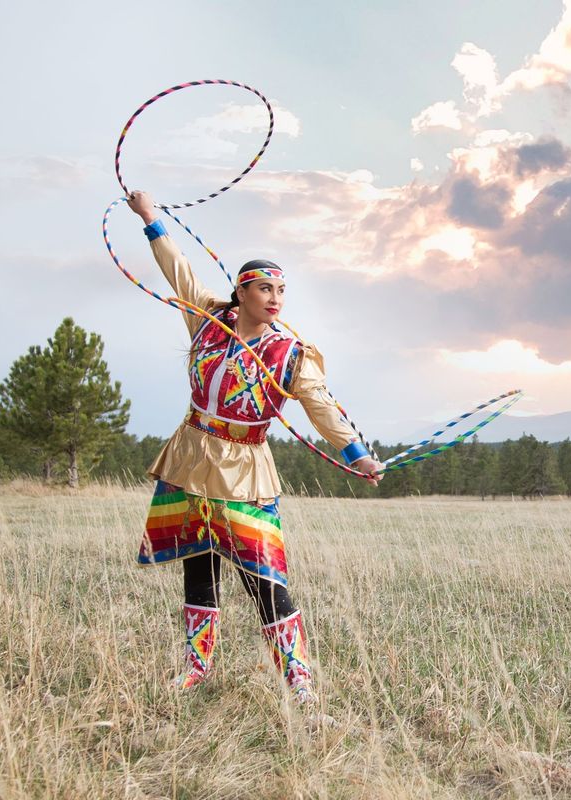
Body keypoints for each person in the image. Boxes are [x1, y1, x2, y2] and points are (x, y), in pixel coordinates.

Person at [126, 190, 384, 707]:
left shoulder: (291, 354)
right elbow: (177, 270)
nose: (275, 299)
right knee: (198, 568)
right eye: (265, 288)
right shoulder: (207, 321)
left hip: (246, 469)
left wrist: (356, 455)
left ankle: (299, 683)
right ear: (241, 292)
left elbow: (319, 405)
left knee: (264, 577)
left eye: (281, 291)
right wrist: (151, 216)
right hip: (190, 456)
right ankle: (196, 668)